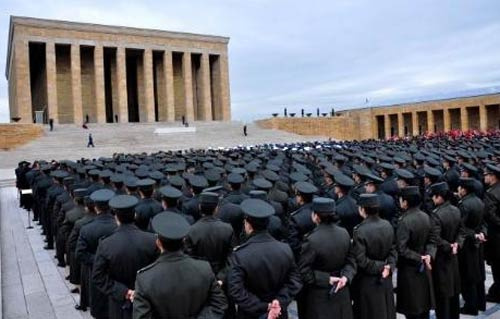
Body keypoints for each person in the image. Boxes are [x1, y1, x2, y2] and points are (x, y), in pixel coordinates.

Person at [133, 212, 228, 318]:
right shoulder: (204, 268)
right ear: (183, 241)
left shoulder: (145, 278)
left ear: (158, 243)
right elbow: (219, 304)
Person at [228, 199, 302, 318]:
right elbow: (295, 281)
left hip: (251, 314)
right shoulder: (285, 249)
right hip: (278, 312)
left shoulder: (240, 254)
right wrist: (278, 302)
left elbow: (236, 290)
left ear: (248, 224)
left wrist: (264, 306)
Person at [92, 195, 158, 319]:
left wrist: (124, 292)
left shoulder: (106, 244)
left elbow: (98, 277)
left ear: (116, 218)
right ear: (135, 216)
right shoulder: (151, 240)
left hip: (119, 303)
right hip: (147, 301)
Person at [298, 197, 356, 319]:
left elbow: (304, 272)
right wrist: (346, 276)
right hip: (341, 291)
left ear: (316, 216)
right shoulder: (344, 233)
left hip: (320, 296)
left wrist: (326, 279)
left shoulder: (311, 240)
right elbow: (351, 261)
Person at [351, 194, 396, 319]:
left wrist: (383, 267)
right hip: (385, 279)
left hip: (368, 282)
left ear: (363, 209)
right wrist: (389, 266)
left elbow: (361, 260)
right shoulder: (387, 225)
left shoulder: (360, 230)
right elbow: (393, 250)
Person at [396, 186, 437, 319]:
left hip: (410, 269)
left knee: (412, 308)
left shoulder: (404, 221)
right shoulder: (425, 216)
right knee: (424, 306)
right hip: (424, 266)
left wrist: (420, 257)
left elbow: (402, 249)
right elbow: (432, 240)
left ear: (406, 202)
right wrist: (428, 256)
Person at [75, 189, 117, 319]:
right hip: (117, 272)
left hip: (96, 273)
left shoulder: (87, 229)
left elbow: (80, 254)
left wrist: (98, 260)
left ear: (95, 207)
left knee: (99, 307)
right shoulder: (117, 226)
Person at [429, 182, 462, 319]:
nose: (432, 199)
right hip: (453, 256)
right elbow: (462, 231)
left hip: (442, 258)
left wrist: (448, 246)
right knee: (453, 291)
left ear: (439, 197)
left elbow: (435, 238)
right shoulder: (456, 209)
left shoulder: (436, 214)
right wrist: (456, 245)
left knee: (442, 293)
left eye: (434, 197)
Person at [185, 192, 234, 280]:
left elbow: (189, 259)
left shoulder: (191, 230)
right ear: (216, 209)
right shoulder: (228, 229)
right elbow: (231, 258)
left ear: (199, 207)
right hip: (221, 277)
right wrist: (221, 277)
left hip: (199, 277)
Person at [457, 177, 487, 315]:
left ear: (464, 189)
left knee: (468, 275)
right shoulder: (479, 201)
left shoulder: (464, 204)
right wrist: (481, 234)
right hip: (478, 242)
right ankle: (481, 303)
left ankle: (471, 306)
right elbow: (484, 222)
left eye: (460, 188)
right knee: (478, 274)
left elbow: (461, 227)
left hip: (468, 244)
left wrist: (474, 235)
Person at [484, 164, 500, 303]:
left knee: (496, 266)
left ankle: (496, 294)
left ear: (493, 176)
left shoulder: (491, 193)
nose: (485, 177)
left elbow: (490, 215)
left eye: (487, 175)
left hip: (496, 236)